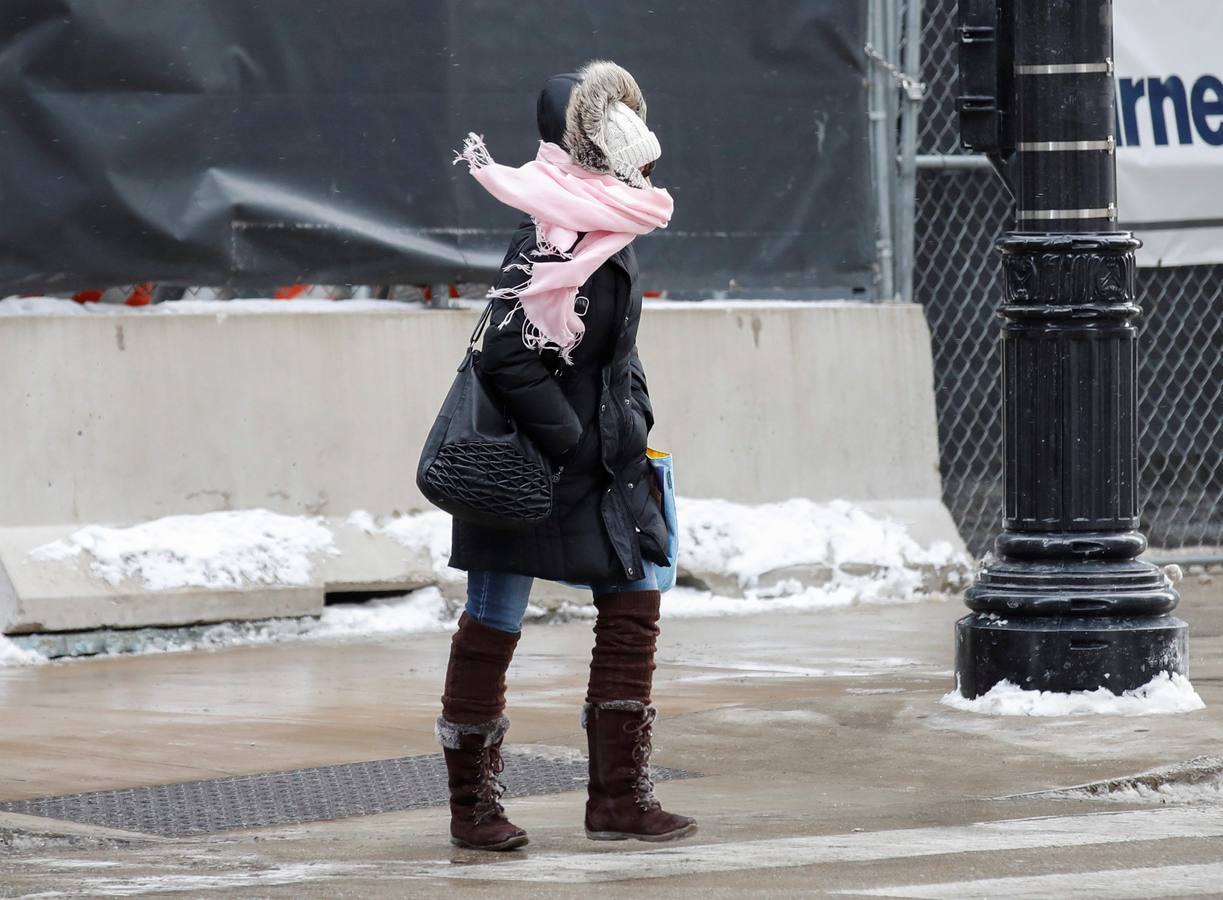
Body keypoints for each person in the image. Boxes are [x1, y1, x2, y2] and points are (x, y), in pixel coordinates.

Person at [436, 60, 696, 851]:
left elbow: (611, 347)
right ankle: (472, 811)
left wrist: (629, 417)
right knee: (493, 621)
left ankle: (617, 799)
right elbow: (505, 354)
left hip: (606, 462)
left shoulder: (611, 219)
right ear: (582, 137)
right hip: (532, 465)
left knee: (635, 601)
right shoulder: (549, 223)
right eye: (612, 121)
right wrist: (572, 438)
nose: (636, 141)